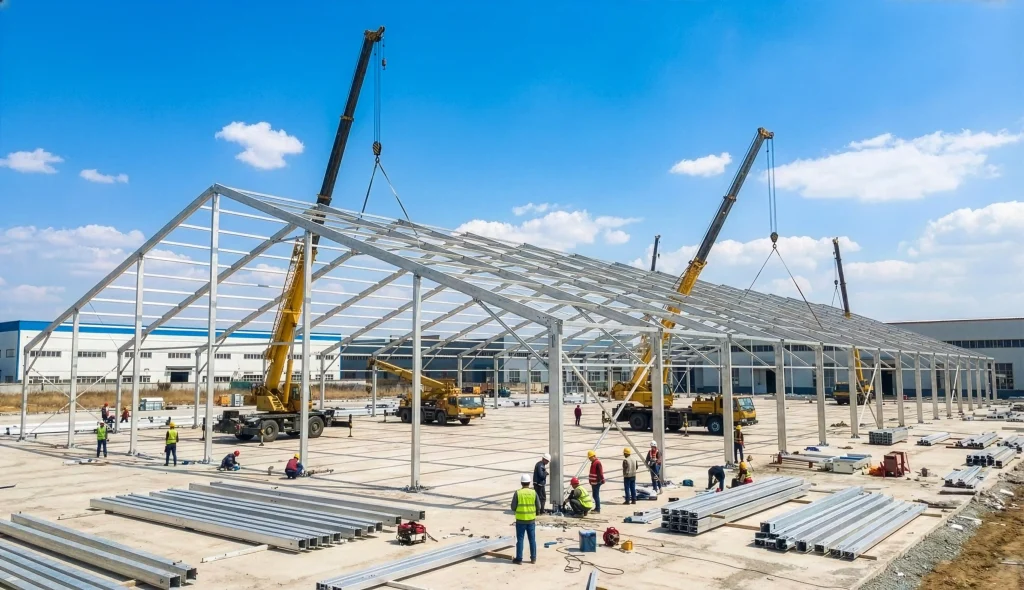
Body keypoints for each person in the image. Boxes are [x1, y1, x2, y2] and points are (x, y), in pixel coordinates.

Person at [510, 473, 540, 564]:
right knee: (532, 540)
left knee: (520, 540)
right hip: (531, 520)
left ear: (521, 483)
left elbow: (513, 507)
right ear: (529, 482)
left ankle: (519, 559)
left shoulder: (518, 493)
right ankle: (533, 558)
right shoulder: (533, 492)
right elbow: (538, 506)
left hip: (520, 520)